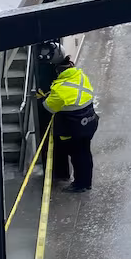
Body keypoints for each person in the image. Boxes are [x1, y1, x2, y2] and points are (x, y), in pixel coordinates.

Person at [36, 42, 99, 193]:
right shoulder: (79, 75)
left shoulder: (59, 89)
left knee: (78, 157)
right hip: (89, 122)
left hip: (74, 128)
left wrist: (42, 98)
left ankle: (80, 185)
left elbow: (48, 107)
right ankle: (86, 182)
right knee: (85, 153)